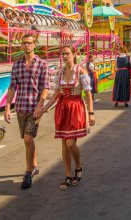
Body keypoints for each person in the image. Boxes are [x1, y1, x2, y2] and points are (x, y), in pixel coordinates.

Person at [38, 46, 94, 189]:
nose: (65, 56)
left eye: (67, 53)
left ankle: (79, 165)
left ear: (74, 54)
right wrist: (45, 107)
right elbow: (57, 93)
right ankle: (68, 175)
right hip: (62, 108)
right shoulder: (59, 72)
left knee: (70, 144)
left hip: (76, 108)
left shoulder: (81, 71)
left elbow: (88, 93)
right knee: (64, 144)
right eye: (63, 54)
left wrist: (91, 113)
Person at [4, 33, 49, 189]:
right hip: (20, 107)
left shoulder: (42, 64)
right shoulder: (17, 65)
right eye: (24, 43)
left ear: (34, 45)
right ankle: (35, 164)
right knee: (27, 140)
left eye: (29, 43)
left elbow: (45, 86)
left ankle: (28, 172)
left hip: (35, 109)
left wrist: (40, 105)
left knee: (28, 139)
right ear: (21, 45)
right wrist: (7, 107)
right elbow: (12, 87)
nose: (27, 45)